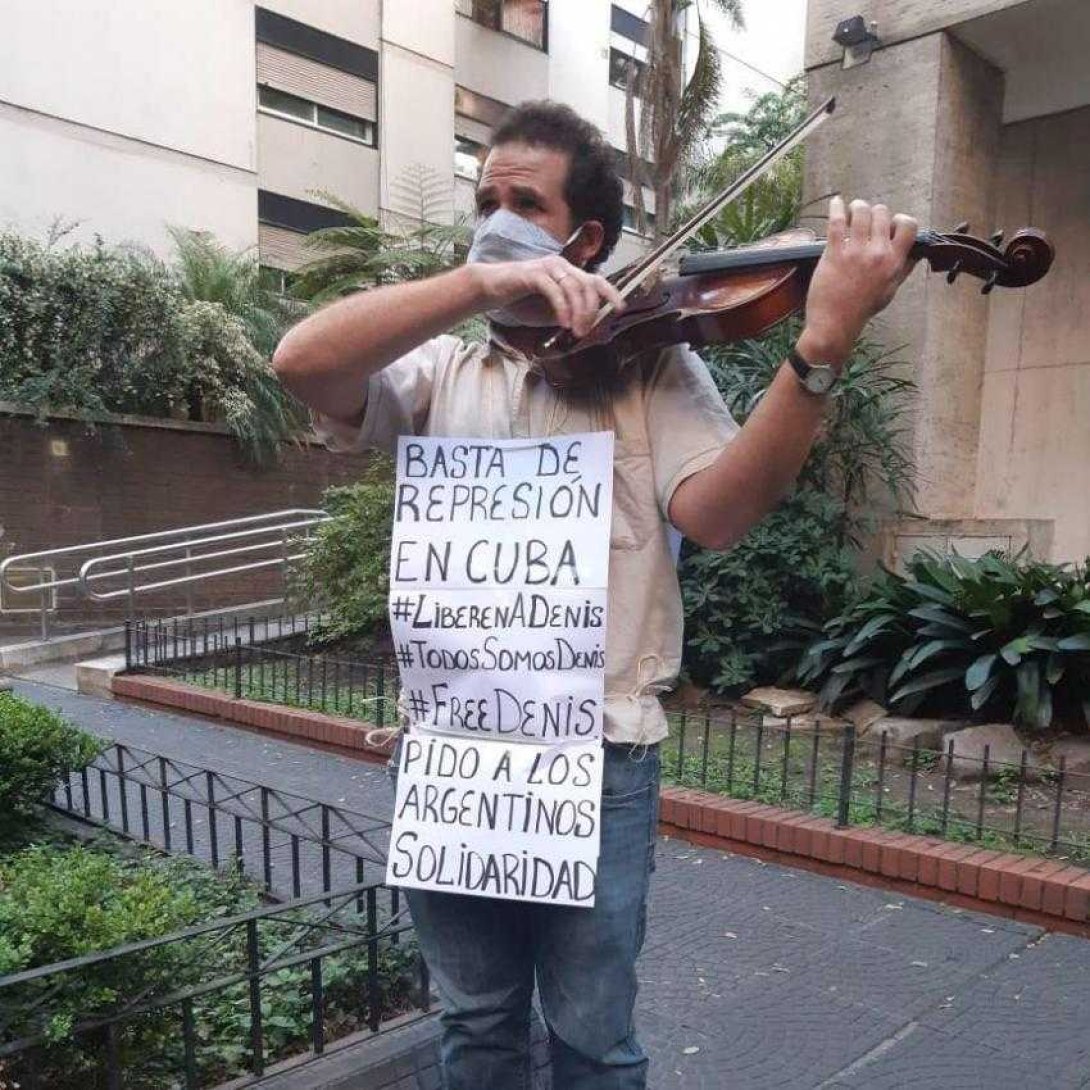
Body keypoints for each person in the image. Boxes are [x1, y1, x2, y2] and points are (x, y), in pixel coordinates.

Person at [273, 100, 918, 1090]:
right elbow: (301, 361)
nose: (495, 215)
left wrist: (819, 347)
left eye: (522, 202)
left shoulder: (650, 361)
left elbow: (720, 514)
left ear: (585, 239)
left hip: (595, 758)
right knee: (473, 1027)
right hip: (452, 756)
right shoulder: (442, 363)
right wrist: (483, 278)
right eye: (484, 199)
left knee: (591, 1041)